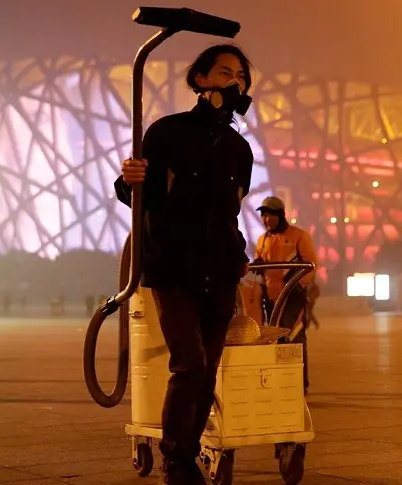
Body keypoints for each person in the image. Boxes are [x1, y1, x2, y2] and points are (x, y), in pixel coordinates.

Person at [114, 44, 254, 485]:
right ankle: (176, 461)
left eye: (241, 77)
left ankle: (186, 456)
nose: (233, 83)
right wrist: (127, 180)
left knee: (208, 371)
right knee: (189, 364)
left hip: (221, 271)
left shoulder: (239, 148)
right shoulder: (166, 133)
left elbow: (232, 209)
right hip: (172, 268)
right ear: (200, 80)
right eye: (224, 72)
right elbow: (139, 195)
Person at [242, 196, 318, 392]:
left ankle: (300, 382)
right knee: (276, 338)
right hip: (271, 297)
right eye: (264, 216)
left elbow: (311, 265)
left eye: (270, 216)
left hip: (292, 296)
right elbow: (259, 264)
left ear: (280, 215)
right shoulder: (263, 239)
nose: (266, 220)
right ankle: (283, 380)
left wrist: (298, 284)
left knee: (294, 337)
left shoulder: (298, 236)